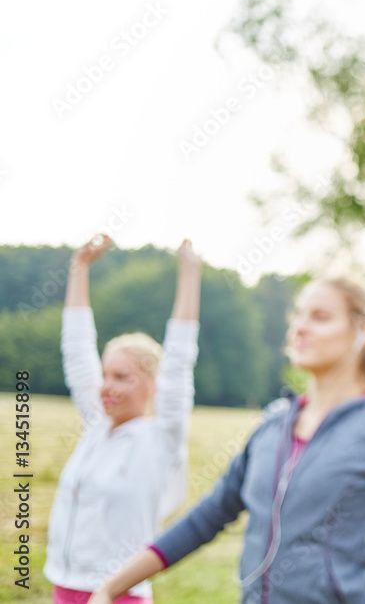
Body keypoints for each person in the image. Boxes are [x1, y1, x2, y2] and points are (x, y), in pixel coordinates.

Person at [90, 273, 365, 604]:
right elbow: (206, 518)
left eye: (320, 317)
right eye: (299, 315)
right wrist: (113, 587)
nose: (300, 328)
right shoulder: (274, 424)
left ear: (362, 332)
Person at [44, 234, 202, 603]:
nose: (107, 386)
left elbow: (180, 358)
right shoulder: (97, 425)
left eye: (122, 377)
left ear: (151, 384)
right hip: (64, 587)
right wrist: (79, 267)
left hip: (119, 595)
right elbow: (77, 349)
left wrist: (190, 272)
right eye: (105, 375)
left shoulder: (161, 438)